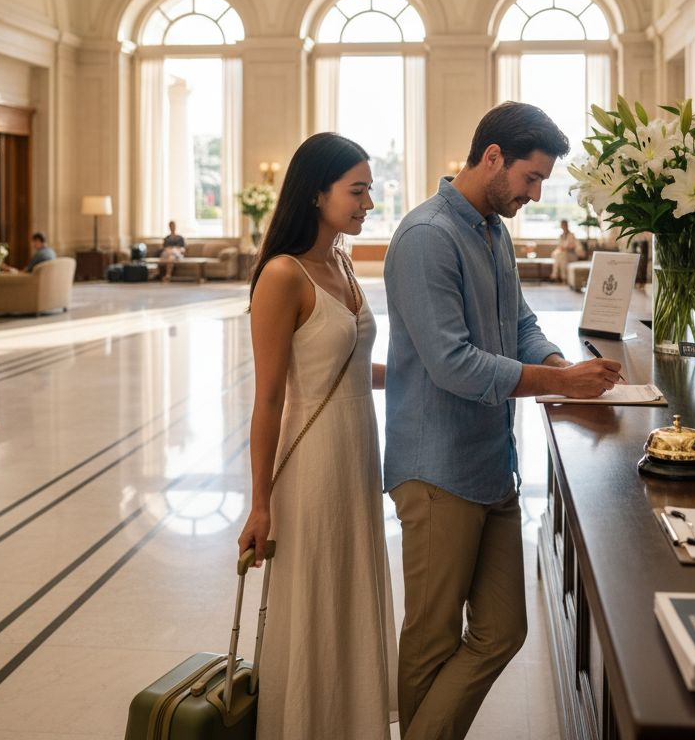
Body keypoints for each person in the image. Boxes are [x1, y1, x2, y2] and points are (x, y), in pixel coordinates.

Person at [384, 102, 623, 740]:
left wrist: (555, 361)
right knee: (432, 640)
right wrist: (557, 383)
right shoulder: (427, 236)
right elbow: (453, 364)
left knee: (502, 630)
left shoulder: (493, 229)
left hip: (492, 462)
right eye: (530, 178)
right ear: (492, 157)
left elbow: (517, 322)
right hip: (436, 468)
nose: (535, 193)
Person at [235, 132, 396, 740]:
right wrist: (259, 503)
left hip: (358, 457)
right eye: (357, 192)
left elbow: (354, 368)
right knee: (314, 604)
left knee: (349, 596)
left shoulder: (343, 262)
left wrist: (434, 375)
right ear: (316, 193)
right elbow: (270, 399)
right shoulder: (284, 275)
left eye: (369, 192)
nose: (367, 204)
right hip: (313, 465)